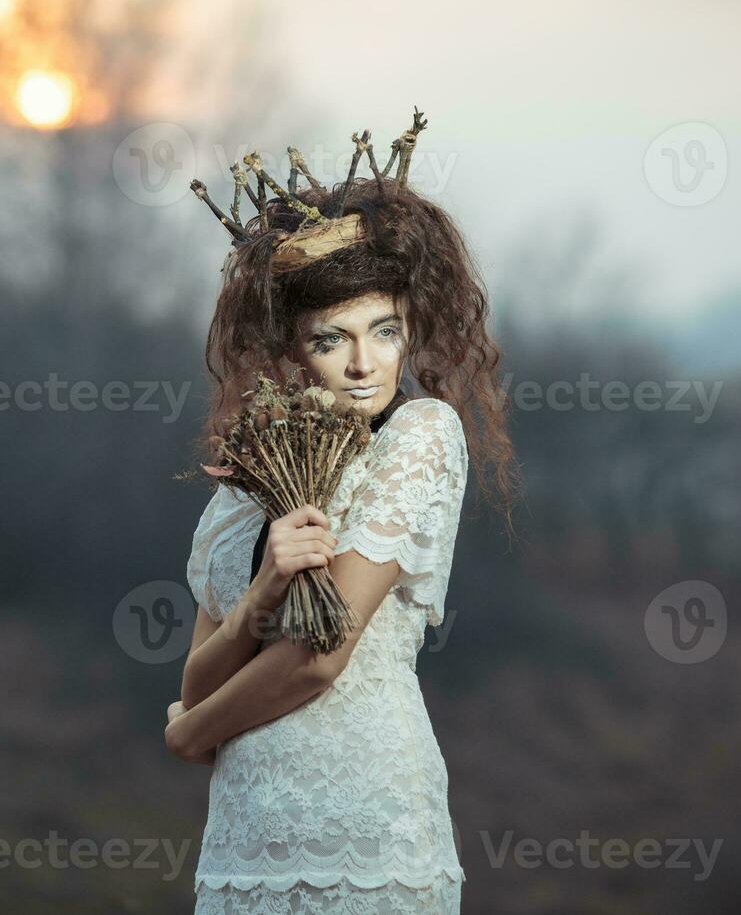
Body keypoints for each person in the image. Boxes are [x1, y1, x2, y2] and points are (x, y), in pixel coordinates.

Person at [164, 123, 518, 914]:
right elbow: (196, 675)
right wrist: (261, 590)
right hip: (243, 840)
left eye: (384, 331)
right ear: (292, 352)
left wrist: (189, 736)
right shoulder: (242, 488)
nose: (365, 363)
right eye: (333, 339)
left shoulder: (419, 434)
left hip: (364, 830)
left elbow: (319, 659)